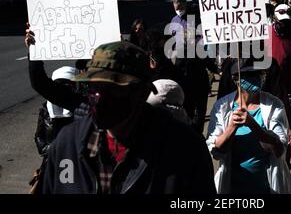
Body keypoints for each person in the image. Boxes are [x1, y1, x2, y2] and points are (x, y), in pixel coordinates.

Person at [41, 41, 216, 194]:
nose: (99, 99)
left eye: (113, 89)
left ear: (141, 93)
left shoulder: (184, 149)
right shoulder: (67, 144)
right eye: (94, 88)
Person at [206, 59, 291, 194]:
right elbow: (216, 152)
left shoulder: (274, 105)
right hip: (232, 187)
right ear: (236, 78)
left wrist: (254, 126)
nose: (257, 77)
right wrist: (231, 128)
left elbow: (279, 150)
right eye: (250, 74)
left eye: (260, 73)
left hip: (267, 187)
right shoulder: (222, 107)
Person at [170, 0, 217, 134]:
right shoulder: (173, 20)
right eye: (176, 8)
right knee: (187, 111)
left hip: (198, 72)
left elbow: (203, 40)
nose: (178, 10)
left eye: (180, 7)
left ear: (185, 5)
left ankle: (197, 134)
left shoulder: (194, 19)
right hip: (183, 73)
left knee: (200, 111)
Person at [25, 24, 90, 120]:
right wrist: (34, 50)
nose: (85, 71)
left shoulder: (115, 100)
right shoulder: (83, 103)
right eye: (84, 68)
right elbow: (40, 83)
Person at [34, 66, 79, 157]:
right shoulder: (45, 109)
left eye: (67, 85)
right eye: (59, 85)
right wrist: (55, 149)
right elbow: (39, 138)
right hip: (54, 160)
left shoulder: (82, 108)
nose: (63, 90)